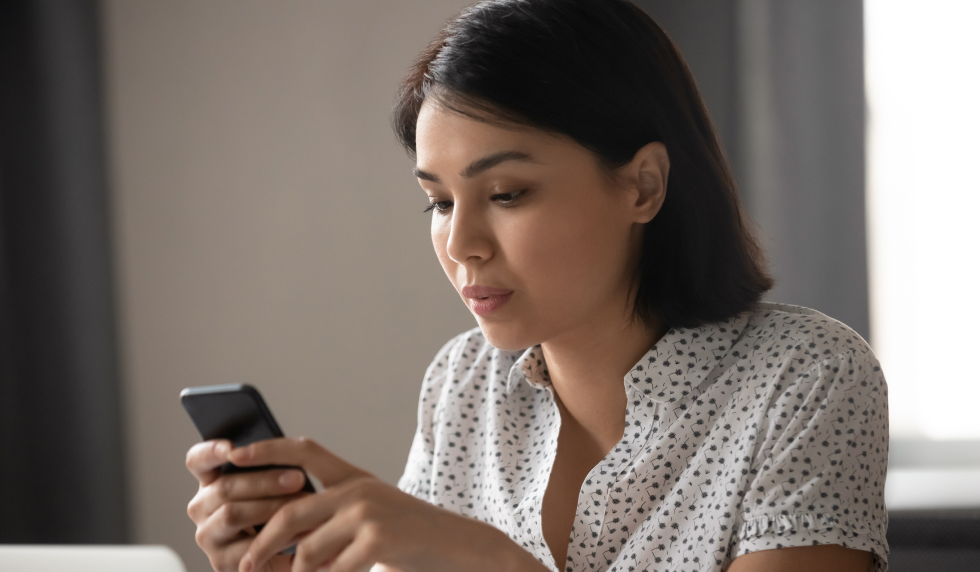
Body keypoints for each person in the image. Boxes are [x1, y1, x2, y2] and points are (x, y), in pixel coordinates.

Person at [184, 1, 890, 571]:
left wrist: (491, 561)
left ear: (643, 184)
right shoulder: (463, 384)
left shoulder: (807, 377)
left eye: (509, 192)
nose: (461, 245)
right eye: (438, 201)